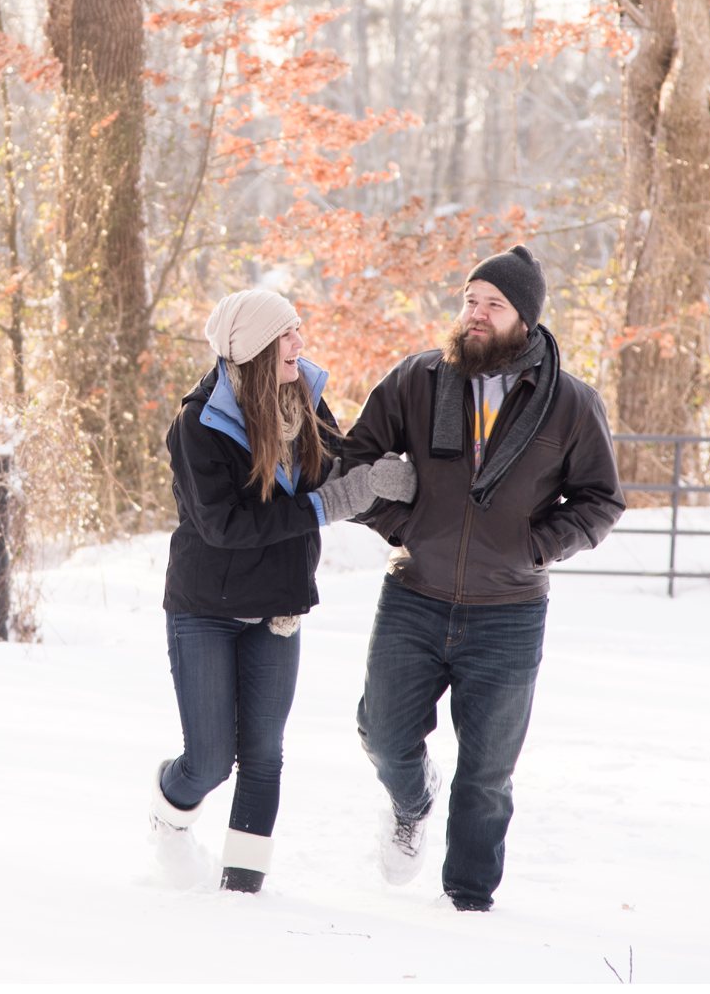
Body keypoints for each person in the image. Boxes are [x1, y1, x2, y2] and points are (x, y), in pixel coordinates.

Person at [343, 245, 625, 912]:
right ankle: (410, 803)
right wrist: (400, 522)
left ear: (523, 319)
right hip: (413, 594)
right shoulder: (417, 378)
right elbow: (356, 460)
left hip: (509, 611)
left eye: (492, 304)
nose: (475, 313)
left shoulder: (570, 404)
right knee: (381, 732)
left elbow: (600, 500)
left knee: (488, 771)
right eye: (470, 299)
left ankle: (469, 899)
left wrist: (536, 544)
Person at [150, 288, 417, 894]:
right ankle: (168, 814)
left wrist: (393, 492)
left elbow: (339, 475)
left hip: (277, 608)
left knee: (264, 756)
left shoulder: (307, 405)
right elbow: (225, 526)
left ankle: (242, 890)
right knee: (210, 761)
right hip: (205, 610)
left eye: (298, 330)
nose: (300, 343)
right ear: (253, 348)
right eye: (287, 334)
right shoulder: (199, 424)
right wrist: (324, 505)